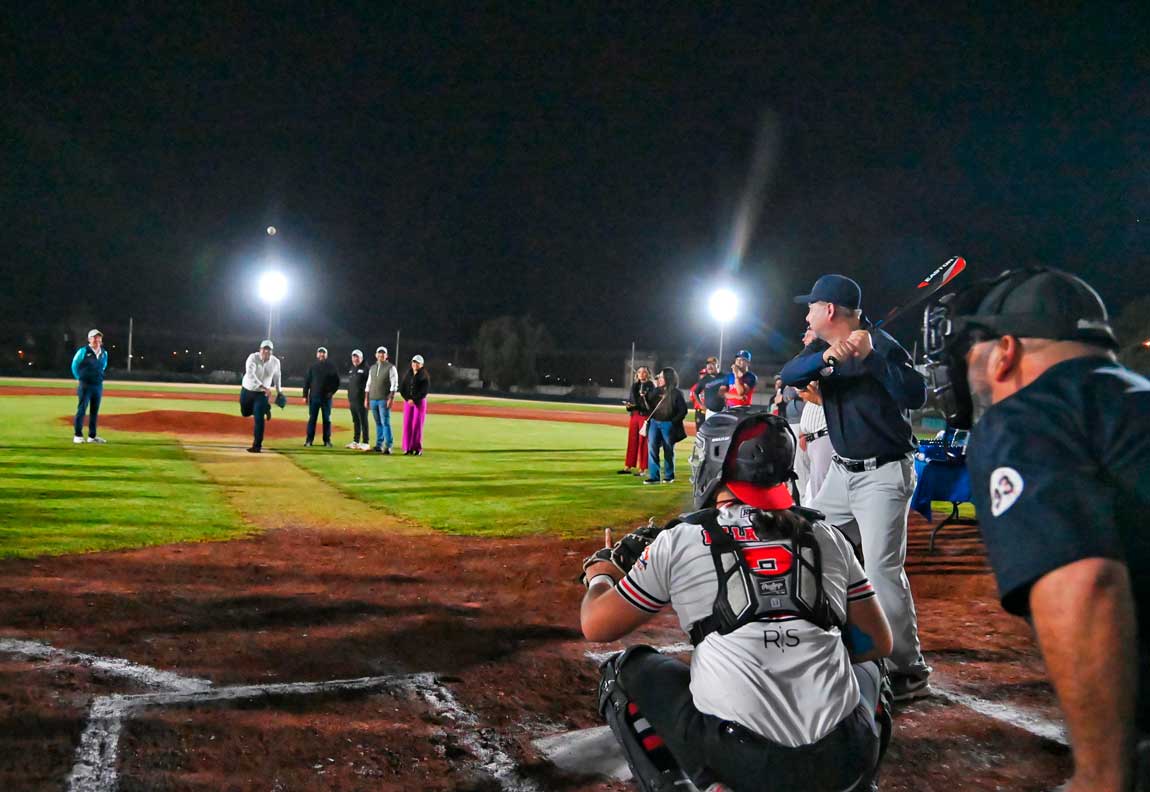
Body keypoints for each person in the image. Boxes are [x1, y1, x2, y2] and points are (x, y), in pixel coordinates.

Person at [580, 407, 892, 792]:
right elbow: (878, 642)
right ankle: (860, 782)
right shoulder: (826, 534)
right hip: (843, 755)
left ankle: (697, 785)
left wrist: (600, 574)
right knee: (874, 669)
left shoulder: (682, 538)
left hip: (742, 760)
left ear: (717, 462)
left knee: (624, 671)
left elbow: (596, 625)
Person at [923, 267, 1150, 792]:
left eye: (969, 356)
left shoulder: (1027, 414)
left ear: (1005, 350)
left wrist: (1100, 777)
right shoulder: (1130, 397)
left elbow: (1083, 583)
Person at [781, 274, 932, 701]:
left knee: (883, 570)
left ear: (829, 310)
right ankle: (823, 633)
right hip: (843, 475)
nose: (807, 313)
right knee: (807, 541)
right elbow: (792, 373)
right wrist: (827, 356)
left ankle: (908, 668)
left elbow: (916, 394)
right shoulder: (818, 348)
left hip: (884, 473)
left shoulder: (881, 344)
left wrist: (872, 359)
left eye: (811, 306)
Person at [644, 367, 688, 485]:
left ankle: (669, 476)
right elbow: (648, 405)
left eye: (662, 377)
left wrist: (673, 422)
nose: (659, 379)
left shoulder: (676, 393)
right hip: (654, 422)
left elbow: (683, 410)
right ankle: (654, 476)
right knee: (652, 448)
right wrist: (650, 392)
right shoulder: (656, 391)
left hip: (668, 424)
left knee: (668, 450)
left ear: (668, 378)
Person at [239, 339, 282, 454]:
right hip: (248, 390)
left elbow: (277, 377)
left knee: (259, 419)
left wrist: (279, 391)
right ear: (260, 350)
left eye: (268, 350)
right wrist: (263, 387)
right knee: (245, 413)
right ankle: (266, 408)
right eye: (264, 349)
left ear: (272, 352)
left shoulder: (275, 362)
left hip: (262, 395)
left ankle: (257, 445)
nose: (266, 352)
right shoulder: (252, 358)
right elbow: (250, 374)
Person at [70, 328, 109, 444]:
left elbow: (103, 366)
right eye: (94, 337)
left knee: (94, 411)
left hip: (97, 385)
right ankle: (77, 435)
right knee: (82, 409)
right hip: (85, 385)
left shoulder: (104, 353)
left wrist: (98, 376)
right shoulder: (83, 351)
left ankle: (92, 436)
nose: (97, 339)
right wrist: (80, 378)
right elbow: (74, 365)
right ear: (89, 339)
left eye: (98, 337)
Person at [302, 346, 341, 447]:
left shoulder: (331, 366)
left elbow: (337, 382)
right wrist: (305, 395)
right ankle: (309, 440)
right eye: (320, 353)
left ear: (326, 355)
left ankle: (327, 440)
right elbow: (307, 381)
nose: (321, 354)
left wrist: (331, 392)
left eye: (323, 353)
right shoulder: (312, 366)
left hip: (326, 398)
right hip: (314, 397)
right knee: (312, 419)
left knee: (327, 420)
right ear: (317, 354)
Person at [620, 366, 655, 476]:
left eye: (644, 372)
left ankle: (643, 468)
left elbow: (650, 404)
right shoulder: (634, 386)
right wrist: (629, 406)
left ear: (648, 374)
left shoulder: (650, 386)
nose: (641, 374)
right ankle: (628, 466)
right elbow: (632, 401)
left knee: (643, 441)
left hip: (644, 416)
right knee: (632, 440)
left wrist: (642, 399)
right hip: (634, 415)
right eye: (639, 372)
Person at [366, 346, 399, 454]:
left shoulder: (391, 367)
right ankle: (379, 444)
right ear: (376, 355)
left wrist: (391, 398)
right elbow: (368, 384)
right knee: (378, 423)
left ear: (386, 355)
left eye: (383, 353)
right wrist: (366, 398)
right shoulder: (372, 368)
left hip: (384, 399)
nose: (381, 355)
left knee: (385, 422)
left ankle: (388, 445)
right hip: (373, 399)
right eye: (379, 353)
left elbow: (394, 384)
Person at [400, 354, 430, 455]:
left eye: (417, 362)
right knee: (407, 425)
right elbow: (402, 388)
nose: (415, 364)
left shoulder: (424, 376)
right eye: (414, 362)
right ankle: (408, 448)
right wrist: (407, 398)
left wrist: (414, 400)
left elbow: (424, 391)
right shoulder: (408, 374)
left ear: (421, 364)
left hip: (419, 403)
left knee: (417, 426)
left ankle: (417, 448)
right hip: (408, 402)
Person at [345, 350, 371, 450]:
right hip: (353, 400)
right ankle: (356, 441)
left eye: (357, 357)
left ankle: (366, 442)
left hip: (362, 399)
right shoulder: (352, 369)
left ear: (361, 358)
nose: (355, 359)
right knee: (356, 421)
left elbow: (369, 385)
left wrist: (367, 398)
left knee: (363, 421)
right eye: (354, 357)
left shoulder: (366, 369)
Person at [689, 357, 723, 429]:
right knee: (708, 433)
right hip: (709, 412)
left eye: (712, 364)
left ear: (718, 366)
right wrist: (701, 405)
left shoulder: (725, 377)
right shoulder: (704, 379)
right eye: (708, 364)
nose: (709, 366)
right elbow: (695, 392)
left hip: (723, 412)